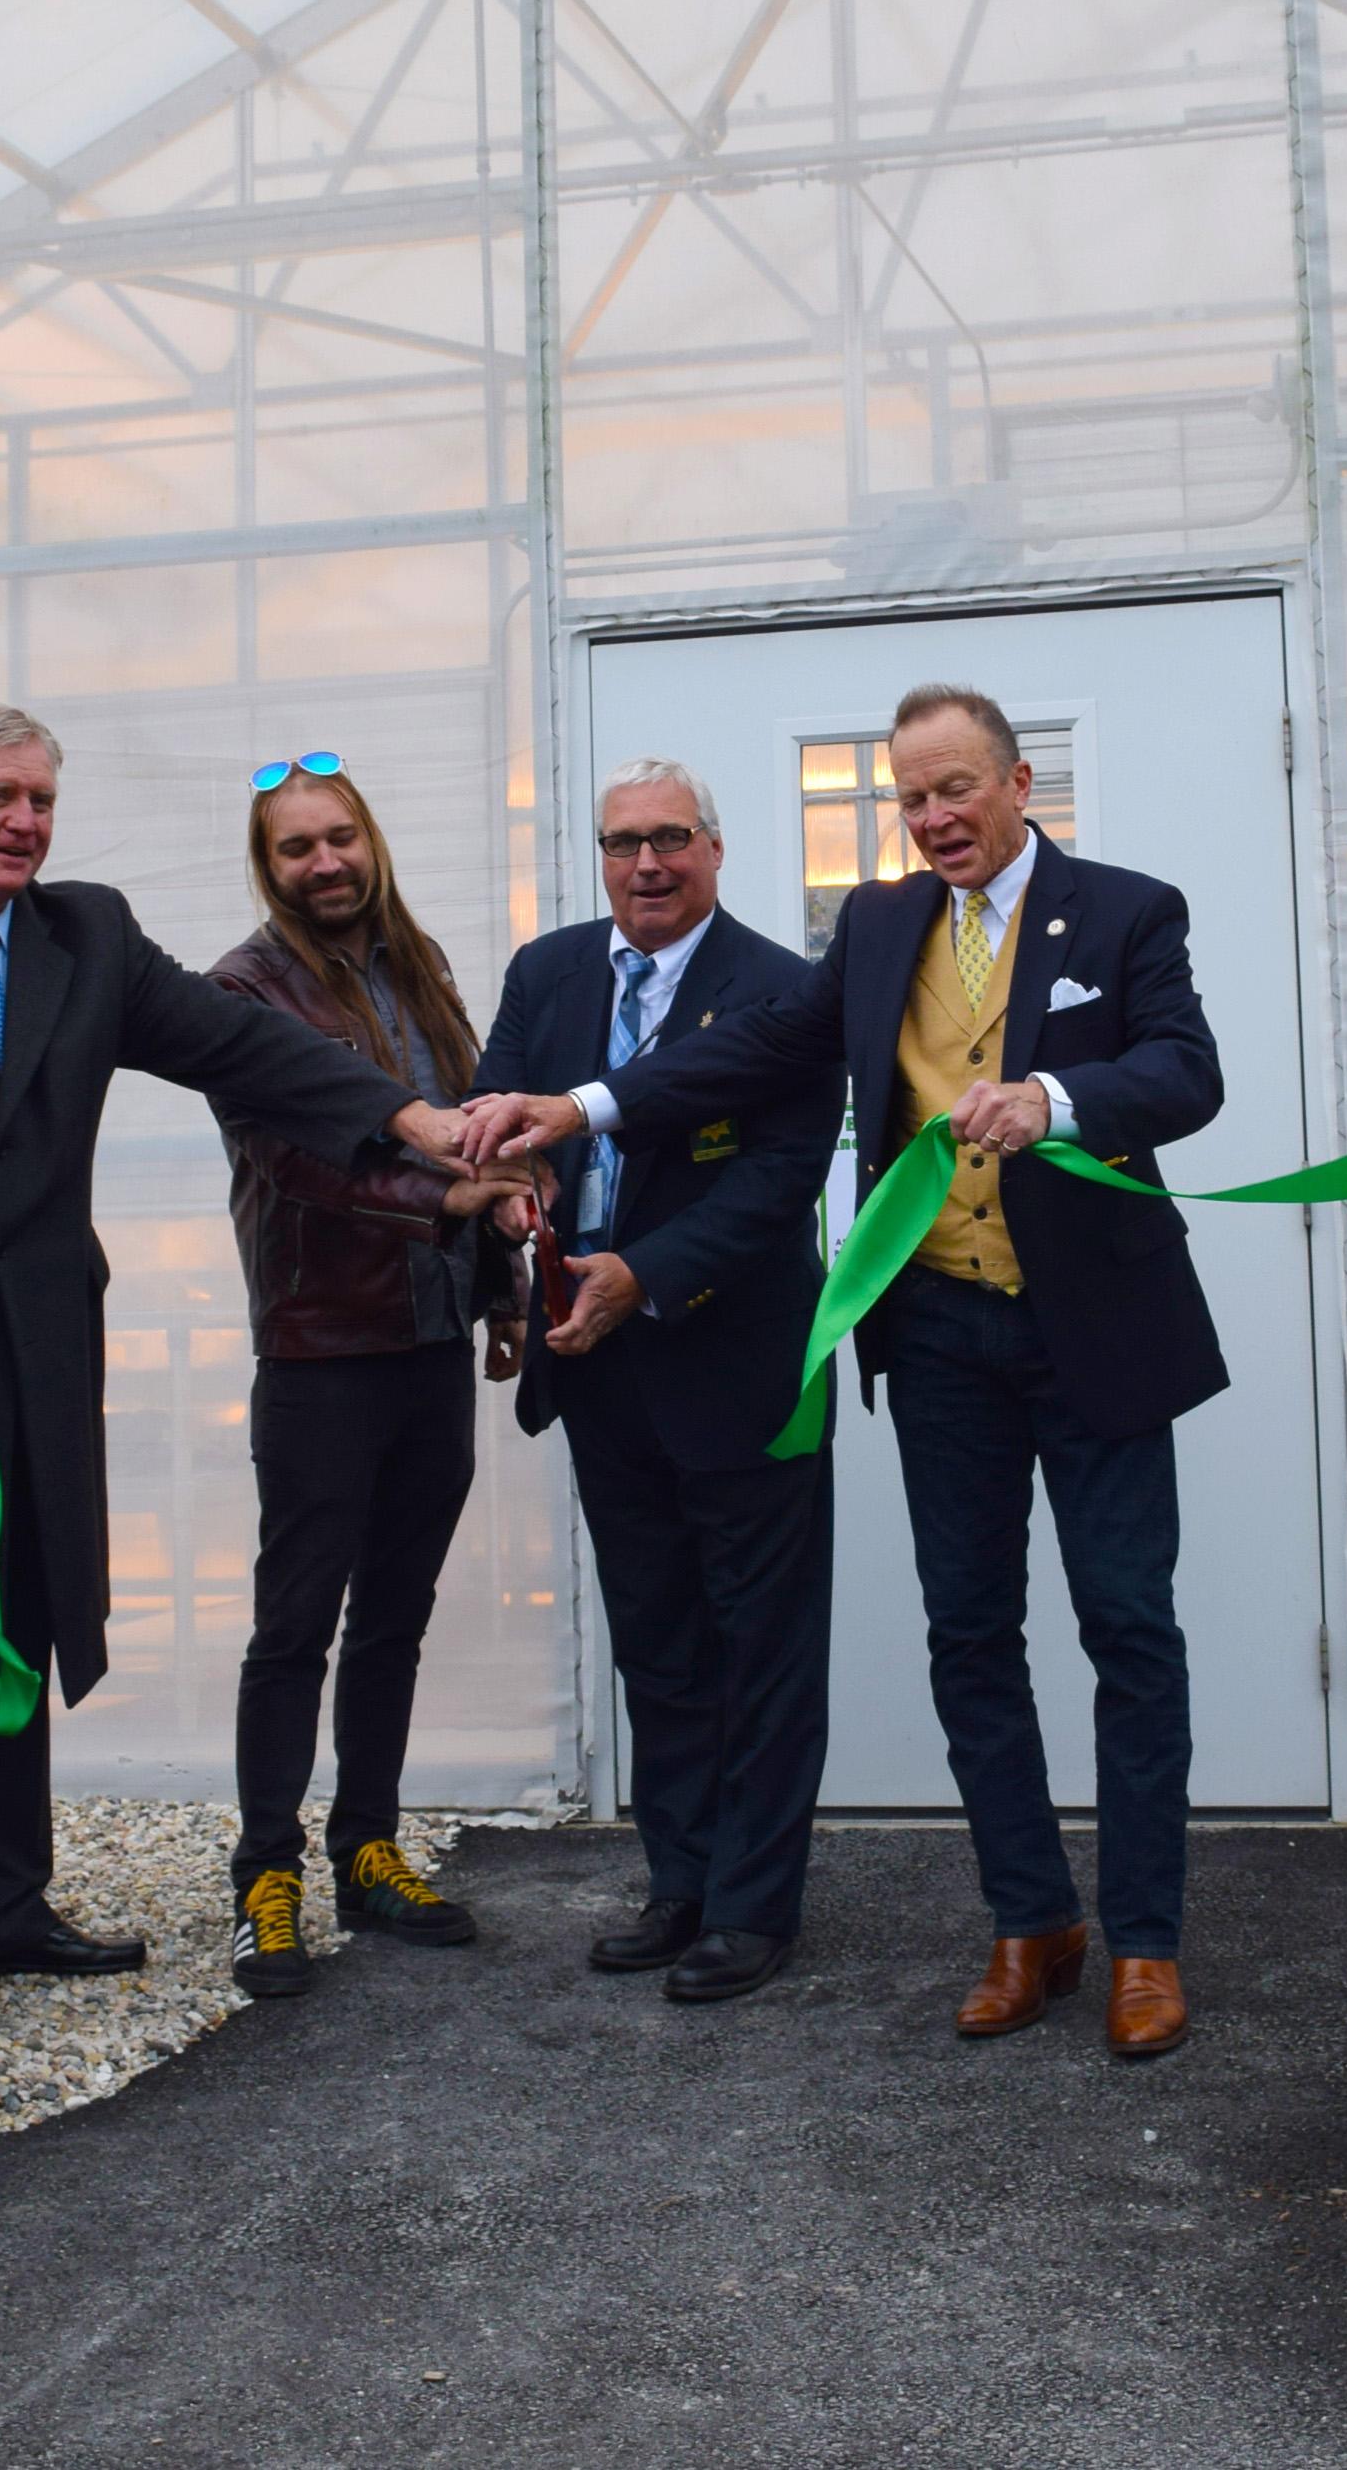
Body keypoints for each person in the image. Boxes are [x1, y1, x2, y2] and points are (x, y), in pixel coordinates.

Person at [462, 684, 1226, 2059]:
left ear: (1016, 783)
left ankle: (1147, 1945)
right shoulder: (876, 925)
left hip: (1097, 1333)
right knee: (969, 1636)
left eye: (956, 790)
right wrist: (580, 1106)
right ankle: (1029, 1922)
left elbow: (1186, 1072)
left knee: (1128, 1630)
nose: (935, 818)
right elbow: (760, 1048)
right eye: (912, 798)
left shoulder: (1126, 911)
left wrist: (1056, 1099)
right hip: (934, 1333)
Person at [0, 706, 479, 1979]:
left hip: (36, 1345)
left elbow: (244, 1046)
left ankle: (7, 1907)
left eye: (42, 802)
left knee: (18, 1601)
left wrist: (401, 1117)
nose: (24, 824)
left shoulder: (87, 936)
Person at [471, 760, 836, 2006]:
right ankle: (677, 1879)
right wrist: (521, 1207)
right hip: (598, 1363)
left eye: (669, 838)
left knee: (763, 1642)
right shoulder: (549, 971)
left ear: (715, 849)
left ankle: (753, 1906)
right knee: (658, 1639)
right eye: (622, 842)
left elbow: (777, 1180)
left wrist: (647, 1272)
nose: (645, 865)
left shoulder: (784, 990)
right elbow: (495, 1108)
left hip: (737, 1362)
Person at [203, 757, 536, 2000]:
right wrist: (446, 1194)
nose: (325, 863)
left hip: (427, 1339)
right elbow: (299, 1159)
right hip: (318, 1345)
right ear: (269, 865)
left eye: (340, 838)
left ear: (370, 841)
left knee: (394, 1615)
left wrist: (496, 1292)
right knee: (293, 1626)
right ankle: (262, 1871)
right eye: (297, 849)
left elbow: (475, 1125)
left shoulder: (421, 966)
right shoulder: (246, 989)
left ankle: (367, 1846)